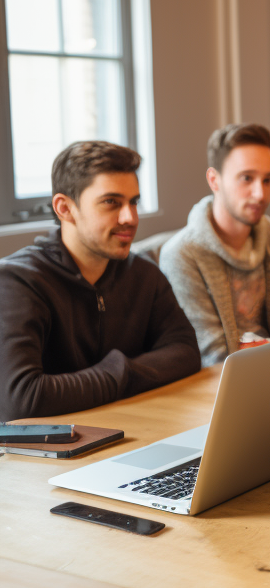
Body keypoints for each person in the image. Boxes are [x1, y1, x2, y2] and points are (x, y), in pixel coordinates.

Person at [0, 142, 200, 421]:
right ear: (65, 208)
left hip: (133, 431)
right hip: (52, 458)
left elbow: (186, 352)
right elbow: (23, 399)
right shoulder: (18, 282)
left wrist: (116, 374)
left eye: (133, 202)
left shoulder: (143, 273)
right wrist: (123, 372)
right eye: (111, 202)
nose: (130, 217)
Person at [160, 124, 270, 367]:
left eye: (268, 180)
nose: (260, 193)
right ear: (214, 180)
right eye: (247, 178)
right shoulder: (181, 254)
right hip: (223, 387)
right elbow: (213, 355)